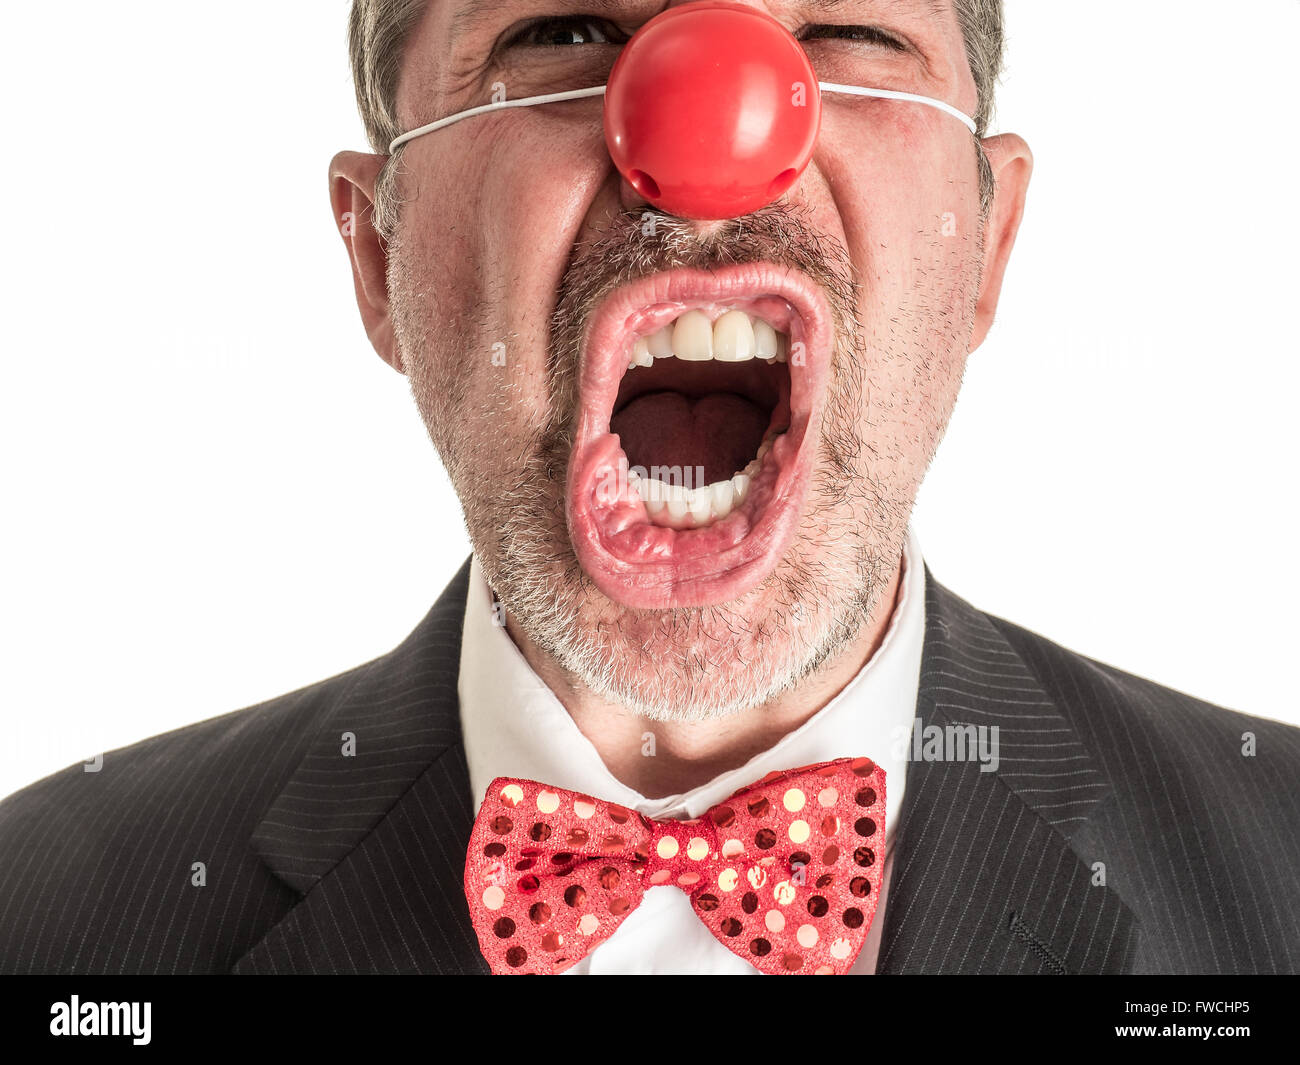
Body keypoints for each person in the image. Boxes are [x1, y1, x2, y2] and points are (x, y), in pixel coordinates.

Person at [1, 0, 1296, 976]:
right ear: (378, 252)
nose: (719, 134)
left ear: (989, 241)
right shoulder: (45, 913)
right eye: (564, 28)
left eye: (843, 29)